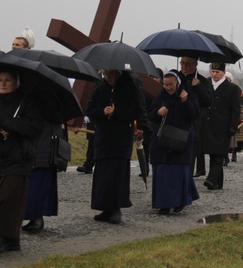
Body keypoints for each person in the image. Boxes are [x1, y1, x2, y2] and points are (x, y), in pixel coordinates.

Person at [0, 68, 45, 252]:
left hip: (18, 159)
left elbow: (35, 127)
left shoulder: (27, 104)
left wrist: (11, 125)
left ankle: (4, 237)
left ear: (16, 83)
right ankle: (7, 239)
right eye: (0, 79)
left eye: (7, 80)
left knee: (8, 199)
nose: (2, 83)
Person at [86, 69, 146, 224]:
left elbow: (137, 111)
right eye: (105, 75)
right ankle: (105, 208)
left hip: (120, 139)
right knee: (103, 175)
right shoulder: (100, 89)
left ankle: (116, 209)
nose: (108, 78)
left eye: (110, 74)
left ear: (118, 73)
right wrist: (103, 112)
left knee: (117, 175)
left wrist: (116, 112)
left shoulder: (130, 88)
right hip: (104, 137)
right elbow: (90, 110)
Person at [148, 71, 200, 213]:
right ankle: (163, 204)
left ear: (177, 83)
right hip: (162, 140)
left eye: (171, 84)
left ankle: (179, 201)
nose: (169, 88)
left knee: (178, 173)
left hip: (180, 141)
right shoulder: (161, 97)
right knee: (163, 173)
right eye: (166, 85)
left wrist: (185, 102)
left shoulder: (188, 95)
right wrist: (158, 113)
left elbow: (194, 114)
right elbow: (151, 114)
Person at [199, 63, 241, 190]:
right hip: (207, 124)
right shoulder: (205, 84)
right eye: (212, 71)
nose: (214, 74)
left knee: (218, 154)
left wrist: (233, 126)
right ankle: (218, 182)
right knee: (212, 153)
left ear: (223, 72)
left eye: (217, 72)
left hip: (223, 126)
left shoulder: (232, 88)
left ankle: (211, 179)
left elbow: (235, 109)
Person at [22, 121, 67, 233]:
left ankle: (36, 217)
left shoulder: (47, 107)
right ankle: (36, 217)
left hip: (43, 145)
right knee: (39, 183)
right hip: (46, 144)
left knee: (36, 184)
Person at [178, 57, 212, 179]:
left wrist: (198, 87)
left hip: (194, 123)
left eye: (188, 64)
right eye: (182, 63)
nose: (185, 66)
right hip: (176, 123)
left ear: (195, 64)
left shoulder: (202, 81)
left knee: (190, 155)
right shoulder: (176, 78)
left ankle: (186, 181)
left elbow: (207, 101)